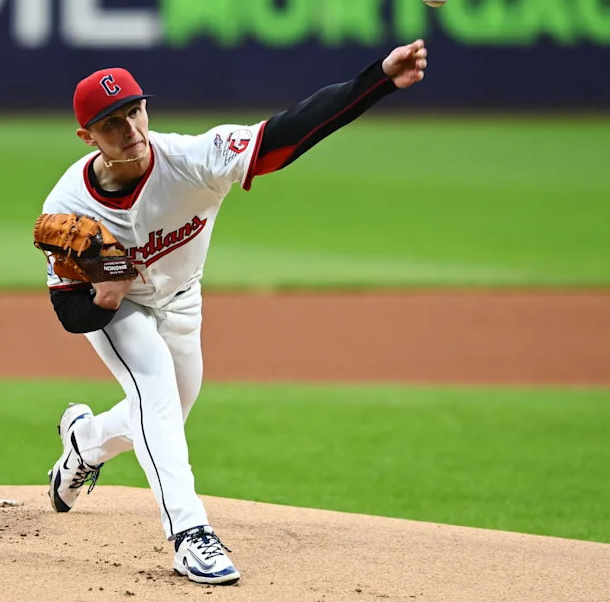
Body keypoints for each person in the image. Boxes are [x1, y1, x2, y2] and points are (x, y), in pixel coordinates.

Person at [40, 40, 428, 586]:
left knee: (169, 410)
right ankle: (189, 533)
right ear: (88, 137)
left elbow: (289, 132)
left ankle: (84, 443)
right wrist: (104, 296)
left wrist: (378, 81)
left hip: (181, 299)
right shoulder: (68, 208)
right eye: (111, 123)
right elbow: (67, 309)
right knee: (152, 385)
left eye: (134, 111)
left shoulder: (195, 160)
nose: (130, 129)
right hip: (122, 309)